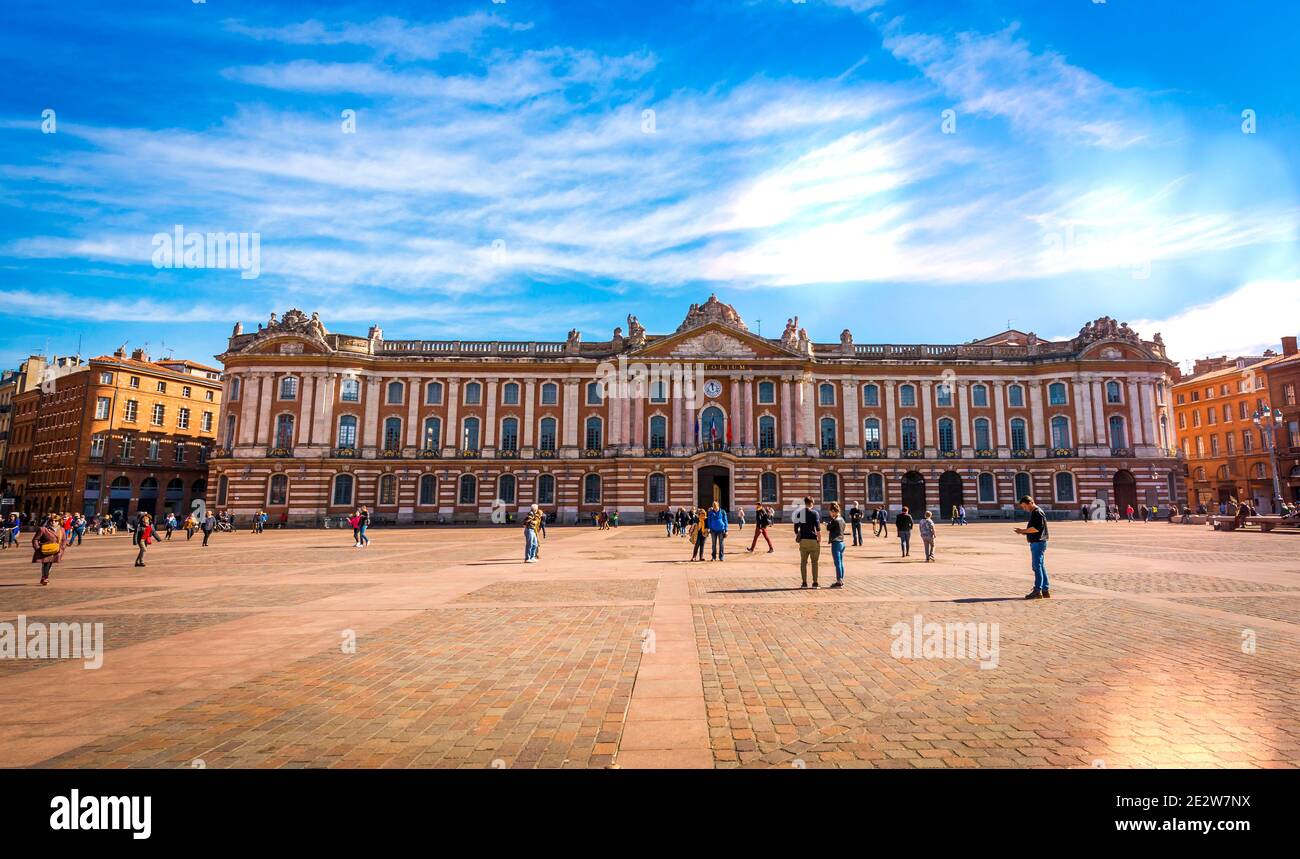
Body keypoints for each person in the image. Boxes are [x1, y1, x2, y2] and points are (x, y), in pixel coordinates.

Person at [1015, 495, 1051, 599]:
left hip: (1038, 543)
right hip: (1038, 542)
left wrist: (1022, 531)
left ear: (1030, 503)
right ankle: (1045, 589)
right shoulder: (1036, 512)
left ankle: (1037, 590)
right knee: (1040, 566)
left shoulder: (1037, 512)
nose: (1024, 509)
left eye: (1025, 506)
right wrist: (1024, 532)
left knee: (1036, 566)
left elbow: (1036, 528)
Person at [792, 496, 821, 588]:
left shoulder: (800, 513)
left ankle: (804, 583)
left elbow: (796, 528)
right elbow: (818, 528)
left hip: (803, 540)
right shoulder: (815, 513)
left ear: (805, 503)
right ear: (812, 503)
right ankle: (815, 582)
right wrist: (819, 539)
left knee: (803, 562)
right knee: (814, 563)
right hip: (813, 540)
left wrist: (798, 534)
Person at [32, 514, 67, 585]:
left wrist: (62, 548)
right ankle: (45, 578)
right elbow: (35, 539)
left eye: (56, 521)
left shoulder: (61, 530)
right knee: (46, 564)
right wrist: (37, 548)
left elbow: (64, 540)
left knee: (50, 564)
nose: (53, 522)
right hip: (45, 549)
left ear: (59, 522)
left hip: (55, 550)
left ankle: (44, 577)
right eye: (52, 521)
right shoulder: (43, 529)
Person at [826, 502, 846, 588]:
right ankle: (841, 579)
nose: (830, 514)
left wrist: (828, 523)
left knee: (837, 563)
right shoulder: (842, 519)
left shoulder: (835, 520)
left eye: (830, 512)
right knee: (840, 562)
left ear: (833, 511)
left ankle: (839, 581)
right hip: (842, 542)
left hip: (836, 543)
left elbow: (828, 528)